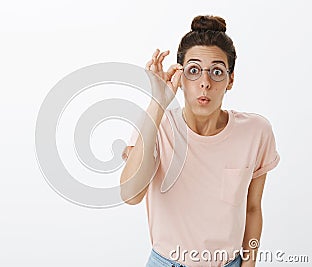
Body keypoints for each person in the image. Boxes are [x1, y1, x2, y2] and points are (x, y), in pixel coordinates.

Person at [119, 15, 280, 267]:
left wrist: (249, 264)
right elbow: (130, 195)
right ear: (181, 77)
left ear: (231, 79)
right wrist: (157, 103)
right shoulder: (157, 125)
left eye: (217, 72)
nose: (205, 83)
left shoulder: (256, 132)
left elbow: (252, 208)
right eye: (194, 71)